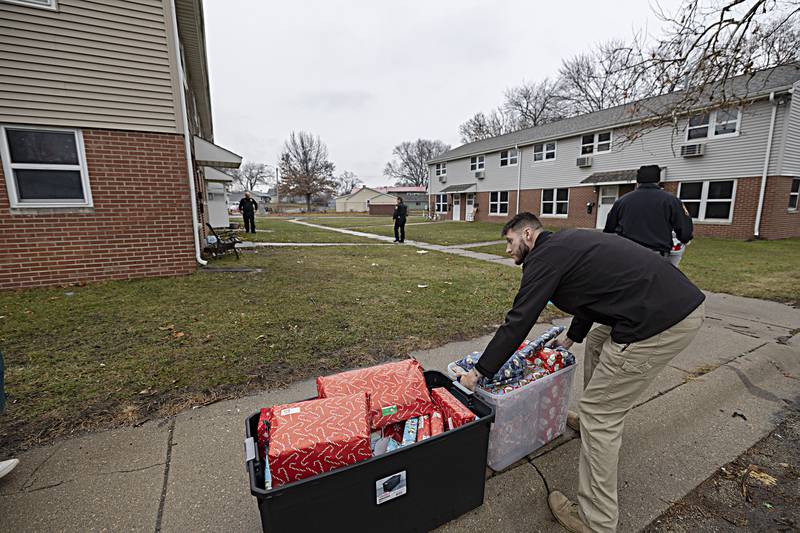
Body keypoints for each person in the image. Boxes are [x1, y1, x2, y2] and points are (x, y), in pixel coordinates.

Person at [458, 213, 705, 533]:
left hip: (661, 321)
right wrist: (573, 336)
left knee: (601, 416)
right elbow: (591, 295)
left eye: (509, 241)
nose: (507, 249)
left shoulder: (543, 259)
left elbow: (519, 319)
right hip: (670, 302)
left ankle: (596, 521)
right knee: (600, 340)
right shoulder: (564, 243)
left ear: (528, 234)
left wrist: (479, 372)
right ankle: (596, 414)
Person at [603, 165, 693, 261]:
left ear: (638, 181)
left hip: (627, 254)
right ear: (658, 181)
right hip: (656, 256)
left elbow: (609, 229)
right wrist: (685, 238)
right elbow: (684, 229)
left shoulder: (622, 201)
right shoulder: (671, 200)